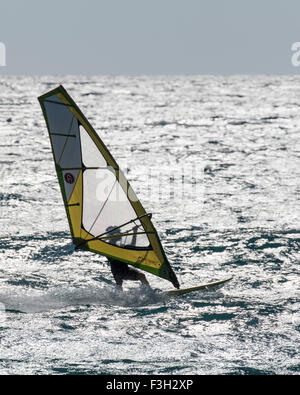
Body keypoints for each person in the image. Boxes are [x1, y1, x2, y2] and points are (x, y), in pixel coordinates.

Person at [106, 226, 150, 290]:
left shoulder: (119, 245)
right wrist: (114, 235)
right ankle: (149, 292)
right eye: (119, 233)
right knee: (140, 276)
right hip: (118, 271)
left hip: (123, 269)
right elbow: (112, 245)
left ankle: (148, 291)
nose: (121, 234)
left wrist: (135, 232)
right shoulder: (109, 246)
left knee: (141, 276)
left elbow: (132, 245)